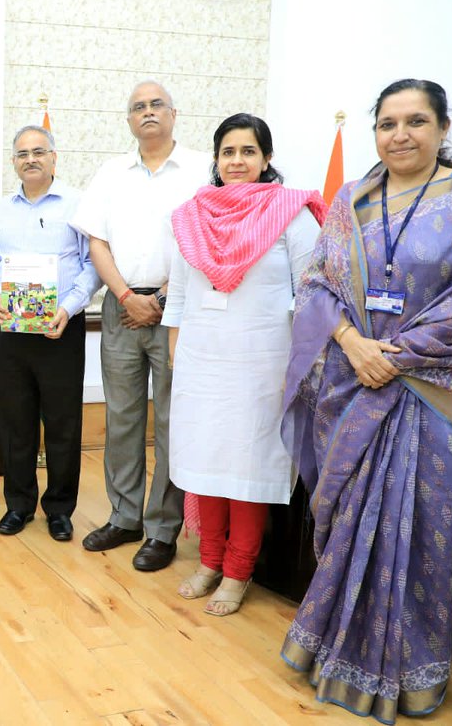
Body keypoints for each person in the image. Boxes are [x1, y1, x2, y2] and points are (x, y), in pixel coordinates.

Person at [280, 79, 452, 723]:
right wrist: (353, 344)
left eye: (416, 121)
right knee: (347, 515)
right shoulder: (352, 199)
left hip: (431, 388)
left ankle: (407, 670)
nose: (400, 134)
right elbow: (318, 283)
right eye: (388, 122)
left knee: (420, 527)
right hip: (355, 376)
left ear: (443, 127)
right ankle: (333, 648)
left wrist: (394, 357)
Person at [162, 113, 325, 615]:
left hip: (263, 365)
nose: (237, 161)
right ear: (216, 158)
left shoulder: (291, 214)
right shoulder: (191, 215)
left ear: (266, 159)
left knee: (248, 467)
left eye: (248, 151)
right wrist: (176, 357)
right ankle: (209, 560)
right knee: (205, 463)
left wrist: (296, 369)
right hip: (201, 361)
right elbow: (181, 297)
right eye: (228, 151)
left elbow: (311, 295)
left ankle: (237, 570)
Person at [71, 81, 207, 571]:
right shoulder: (111, 173)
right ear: (129, 120)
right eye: (137, 108)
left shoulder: (200, 171)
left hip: (180, 308)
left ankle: (163, 528)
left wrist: (164, 298)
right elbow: (96, 244)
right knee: (123, 417)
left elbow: (207, 242)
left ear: (174, 113)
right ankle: (124, 516)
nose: (147, 113)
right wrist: (128, 296)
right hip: (121, 306)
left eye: (156, 105)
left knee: (171, 421)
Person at [0, 125, 98, 540]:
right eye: (22, 153)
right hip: (10, 330)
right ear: (13, 161)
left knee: (63, 422)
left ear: (53, 157)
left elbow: (92, 265)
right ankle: (19, 505)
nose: (30, 159)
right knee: (15, 422)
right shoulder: (0, 209)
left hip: (60, 330)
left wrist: (68, 308)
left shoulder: (78, 205)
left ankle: (61, 509)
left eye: (38, 151)